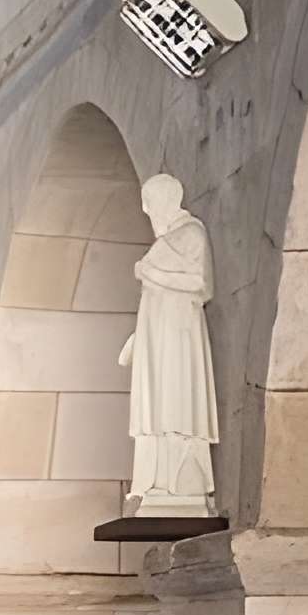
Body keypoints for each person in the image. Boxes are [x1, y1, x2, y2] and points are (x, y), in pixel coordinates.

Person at [120, 173, 218, 514]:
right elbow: (153, 303)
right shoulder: (171, 239)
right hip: (157, 339)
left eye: (149, 206)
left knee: (177, 402)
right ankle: (154, 481)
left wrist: (148, 271)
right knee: (155, 406)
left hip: (178, 337)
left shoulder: (191, 234)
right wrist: (139, 339)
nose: (148, 214)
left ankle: (180, 481)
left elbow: (200, 284)